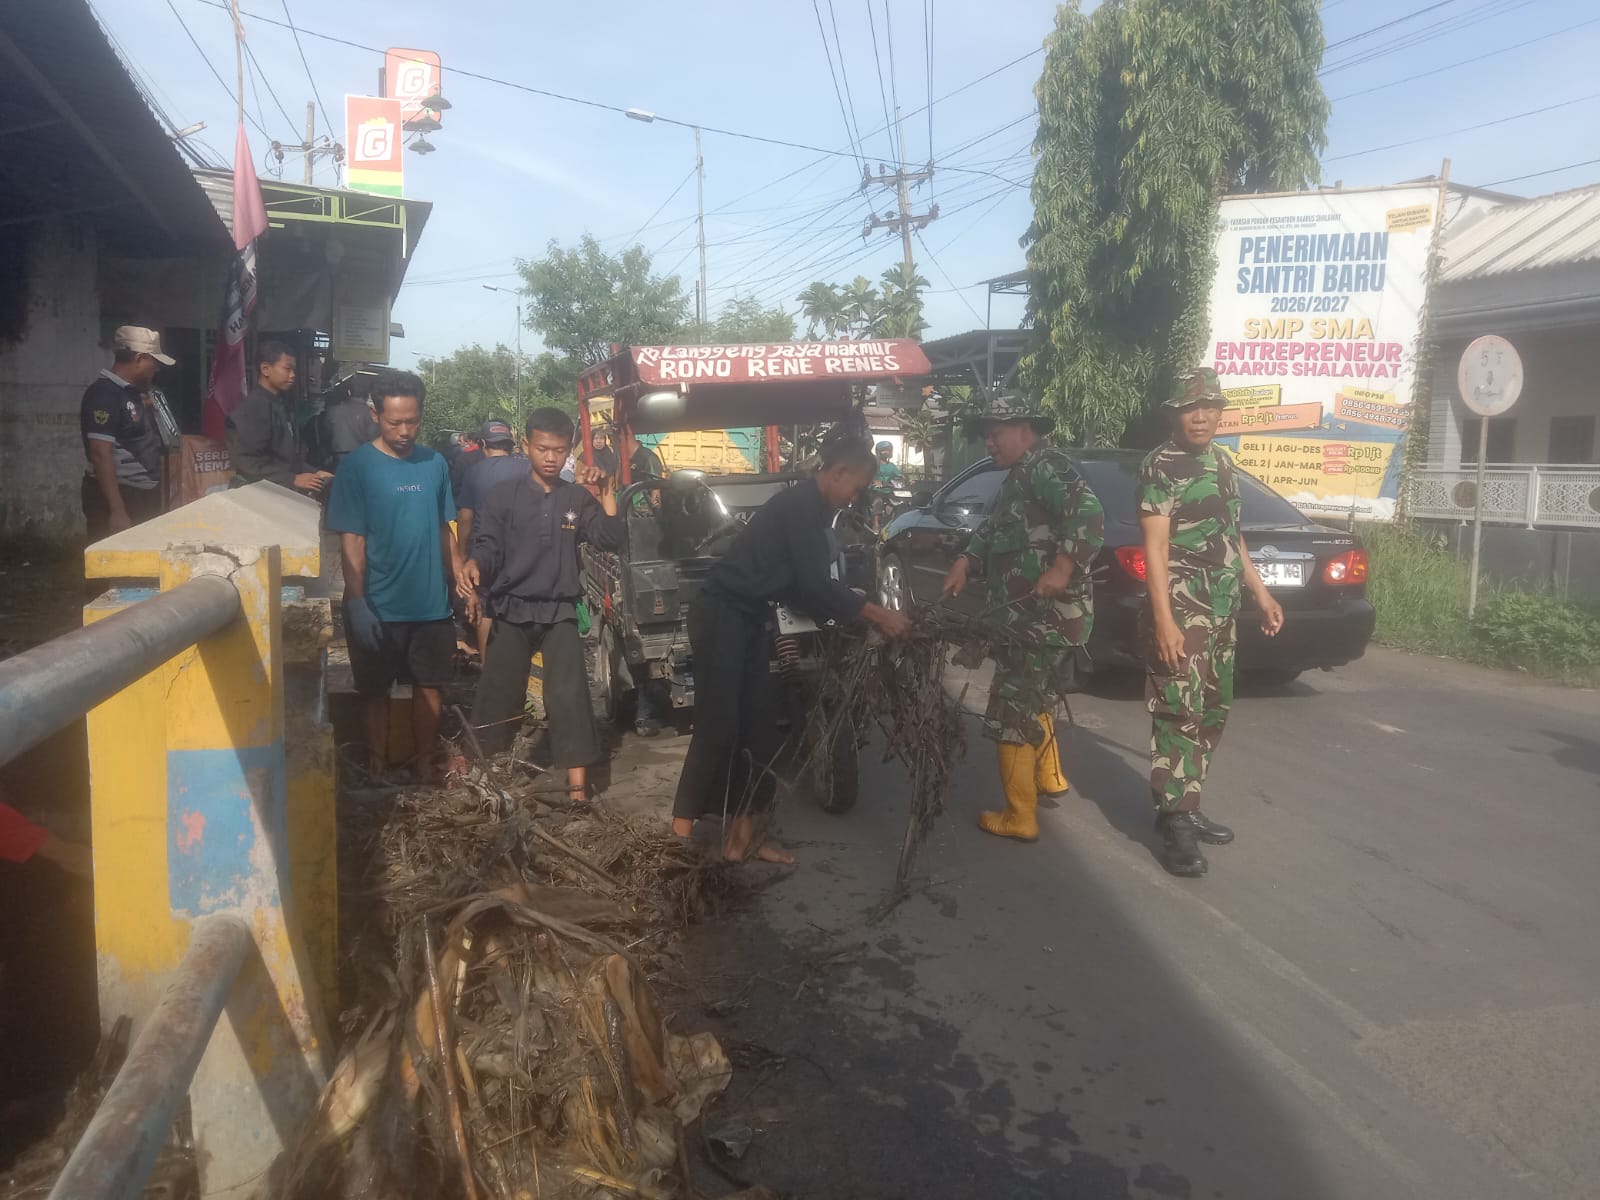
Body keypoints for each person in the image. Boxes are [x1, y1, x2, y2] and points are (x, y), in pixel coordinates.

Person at [671, 438, 912, 863]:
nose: (854, 498)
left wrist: (854, 615)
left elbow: (809, 587)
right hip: (720, 613)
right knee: (719, 726)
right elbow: (815, 586)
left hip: (752, 617)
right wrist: (877, 614)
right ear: (838, 473)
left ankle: (742, 839)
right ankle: (676, 840)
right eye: (855, 488)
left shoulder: (817, 513)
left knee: (761, 730)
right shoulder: (800, 507)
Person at [1138, 367, 1284, 878]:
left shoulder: (1222, 461)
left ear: (1220, 412)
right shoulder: (1160, 465)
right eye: (1189, 408)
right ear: (1174, 415)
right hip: (1182, 608)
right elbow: (1155, 547)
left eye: (1208, 407)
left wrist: (1260, 592)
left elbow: (1231, 533)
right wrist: (1163, 620)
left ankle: (1188, 799)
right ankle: (1175, 820)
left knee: (1214, 708)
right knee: (1179, 708)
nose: (1199, 416)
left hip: (1222, 607)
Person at [942, 394, 1105, 843]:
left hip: (1042, 620)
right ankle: (1049, 777)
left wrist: (1063, 567)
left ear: (1025, 430)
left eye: (996, 433)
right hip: (1029, 621)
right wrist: (965, 561)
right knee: (1036, 696)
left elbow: (1089, 515)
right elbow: (993, 529)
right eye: (986, 435)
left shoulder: (1047, 468)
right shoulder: (1019, 477)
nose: (989, 443)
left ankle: (1019, 816)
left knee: (1010, 709)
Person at [458, 408, 622, 802]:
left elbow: (609, 538)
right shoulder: (503, 497)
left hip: (559, 609)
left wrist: (607, 491)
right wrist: (475, 564)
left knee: (569, 696)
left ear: (569, 451)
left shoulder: (576, 498)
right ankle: (483, 780)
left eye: (559, 451)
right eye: (542, 449)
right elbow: (487, 544)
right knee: (498, 693)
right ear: (526, 446)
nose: (550, 458)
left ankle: (578, 793)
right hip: (511, 608)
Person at [326, 370, 463, 781]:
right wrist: (357, 600)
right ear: (375, 415)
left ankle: (423, 762)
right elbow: (352, 538)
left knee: (429, 685)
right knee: (374, 691)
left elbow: (444, 528)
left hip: (430, 604)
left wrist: (458, 579)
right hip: (378, 604)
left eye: (412, 421)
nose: (404, 431)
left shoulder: (434, 463)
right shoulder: (357, 468)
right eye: (394, 422)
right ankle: (377, 765)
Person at [80, 326, 174, 538]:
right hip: (120, 495)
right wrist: (117, 510)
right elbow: (100, 453)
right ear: (139, 359)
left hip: (142, 494)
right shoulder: (104, 395)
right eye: (154, 362)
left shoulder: (134, 394)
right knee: (115, 557)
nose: (156, 369)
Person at [455, 418, 529, 661]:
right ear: (509, 443)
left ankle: (488, 668)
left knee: (485, 608)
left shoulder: (474, 473)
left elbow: (465, 517)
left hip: (484, 553)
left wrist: (462, 554)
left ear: (483, 444)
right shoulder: (528, 468)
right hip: (522, 552)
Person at [226, 340, 332, 496]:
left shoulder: (276, 403)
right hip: (256, 495)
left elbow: (284, 457)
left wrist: (314, 473)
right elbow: (247, 462)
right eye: (287, 369)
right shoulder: (256, 406)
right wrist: (291, 479)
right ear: (265, 369)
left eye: (294, 370)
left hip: (275, 490)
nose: (293, 375)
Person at [323, 382, 378, 471]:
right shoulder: (370, 413)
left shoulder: (334, 411)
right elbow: (373, 438)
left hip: (337, 457)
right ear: (367, 393)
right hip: (360, 458)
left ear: (350, 392)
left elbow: (326, 434)